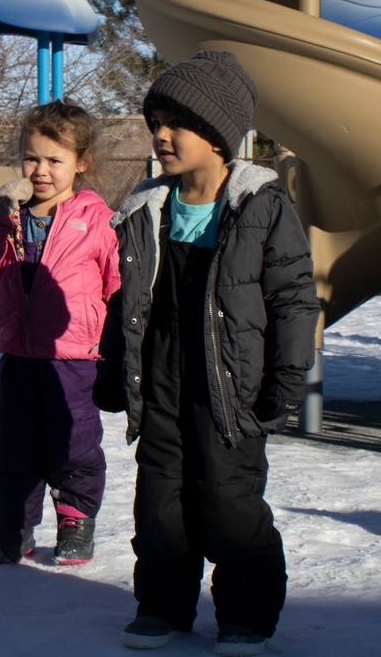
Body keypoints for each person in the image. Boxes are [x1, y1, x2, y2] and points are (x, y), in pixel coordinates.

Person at [96, 51, 320, 655]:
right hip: (164, 376)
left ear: (219, 136)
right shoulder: (147, 207)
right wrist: (114, 367)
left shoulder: (261, 207)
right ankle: (162, 606)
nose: (161, 135)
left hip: (232, 385)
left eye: (178, 123)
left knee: (228, 498)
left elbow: (295, 298)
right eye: (156, 122)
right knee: (161, 497)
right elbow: (126, 300)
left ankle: (245, 614)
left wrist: (287, 377)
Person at [0, 100, 120, 567]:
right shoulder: (9, 214)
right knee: (12, 446)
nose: (41, 170)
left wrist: (119, 342)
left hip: (74, 358)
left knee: (74, 443)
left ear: (81, 163)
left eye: (55, 160)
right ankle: (13, 526)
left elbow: (118, 283)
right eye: (32, 158)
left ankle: (75, 520)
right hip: (18, 352)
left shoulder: (96, 218)